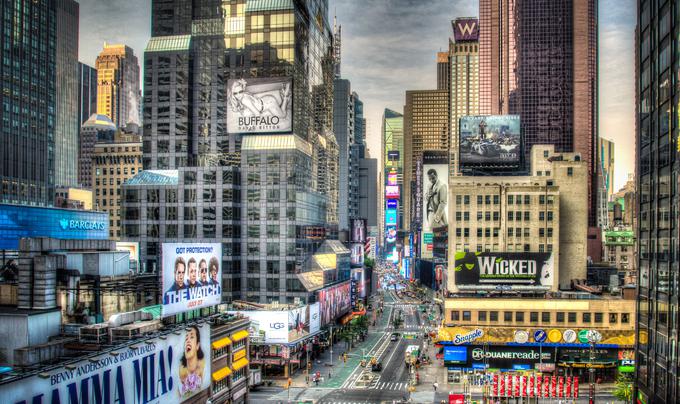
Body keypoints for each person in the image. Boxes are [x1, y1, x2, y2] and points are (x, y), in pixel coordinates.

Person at [179, 325, 206, 397]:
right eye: (186, 338)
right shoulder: (180, 377)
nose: (188, 340)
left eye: (191, 337)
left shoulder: (203, 372)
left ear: (197, 345)